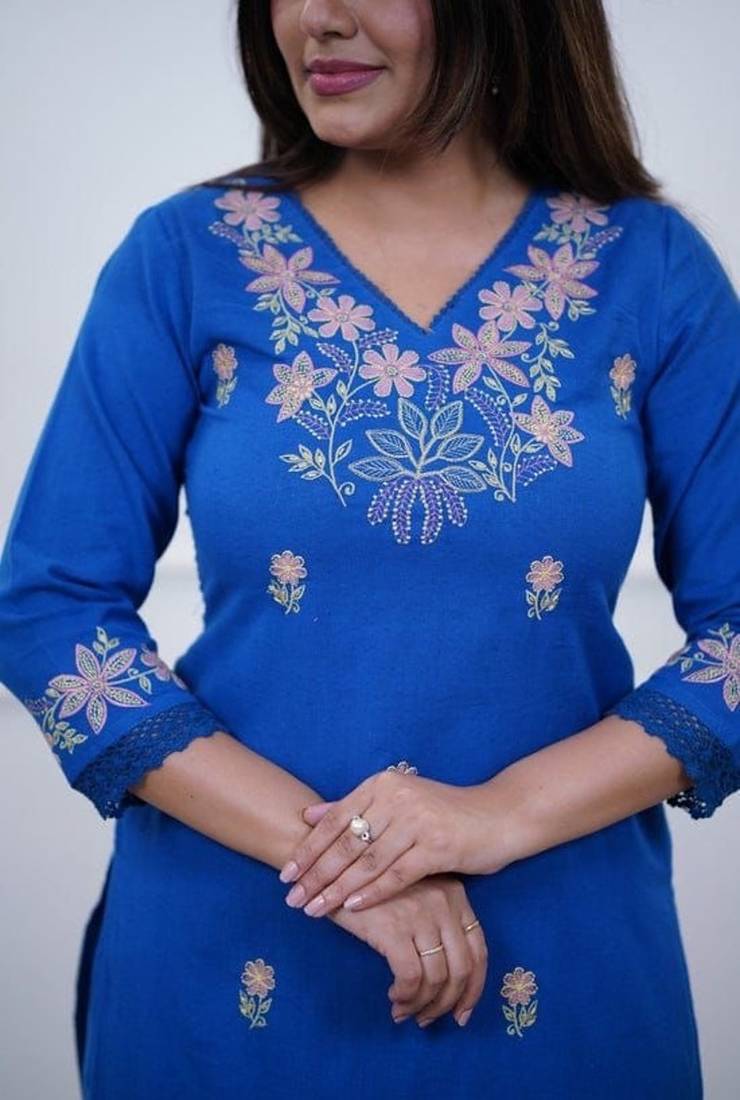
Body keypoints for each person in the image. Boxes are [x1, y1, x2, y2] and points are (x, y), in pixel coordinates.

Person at [0, 1, 738, 1096]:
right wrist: (348, 859)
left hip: (557, 960)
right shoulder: (187, 255)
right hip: (232, 953)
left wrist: (494, 815)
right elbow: (47, 606)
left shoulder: (650, 268)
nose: (318, 17)